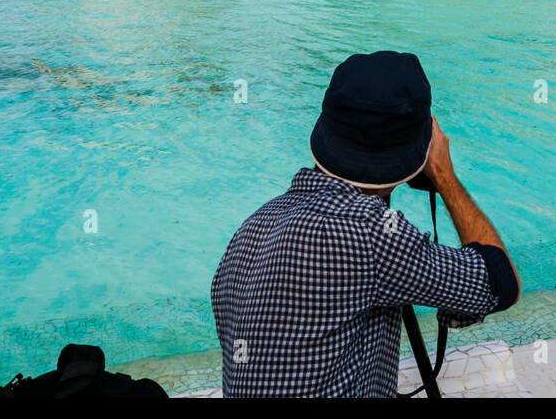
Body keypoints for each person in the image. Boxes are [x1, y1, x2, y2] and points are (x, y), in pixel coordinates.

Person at [211, 50, 519, 397]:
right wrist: (443, 175)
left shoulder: (256, 224)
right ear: (422, 145)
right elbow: (499, 283)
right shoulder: (372, 235)